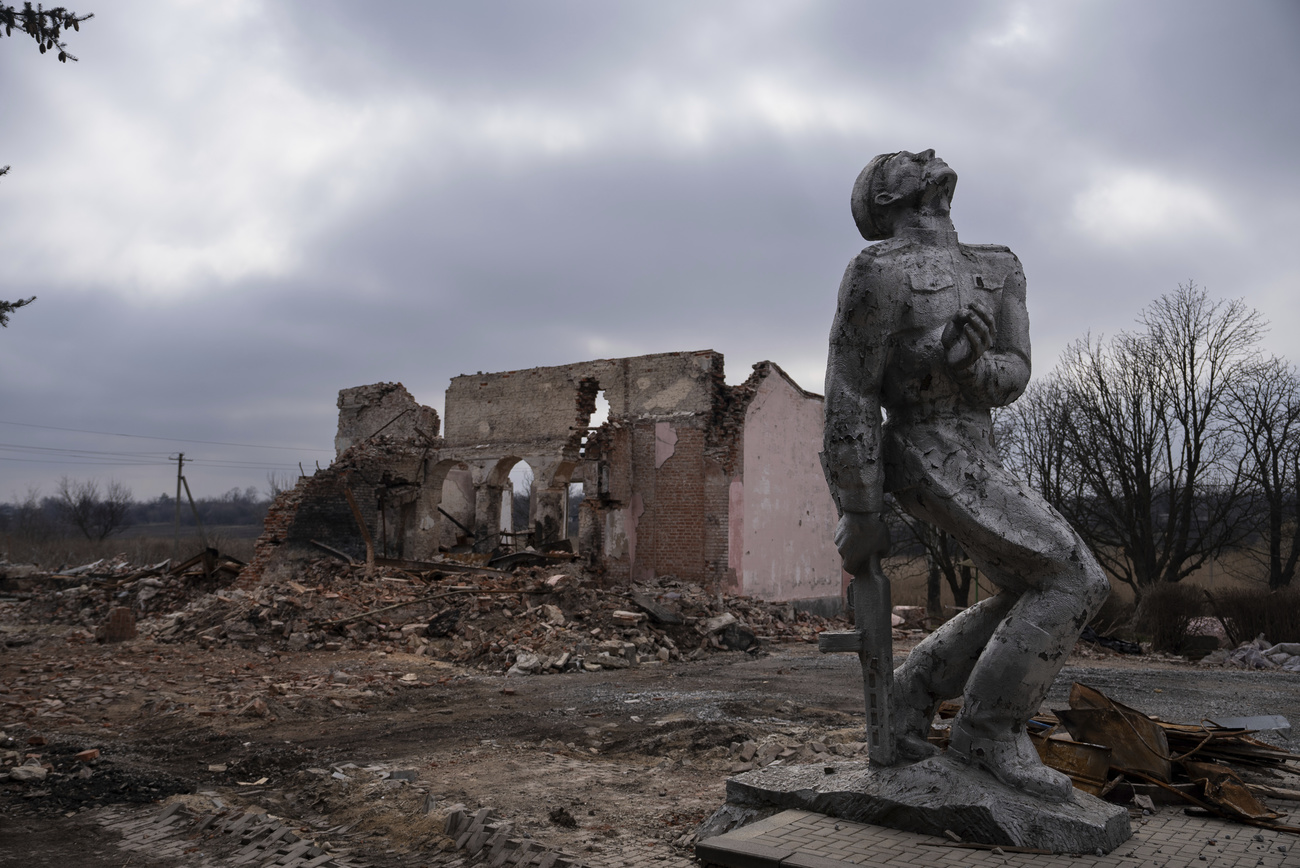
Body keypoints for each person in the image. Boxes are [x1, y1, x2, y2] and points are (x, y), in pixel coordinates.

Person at [822, 150, 1109, 802]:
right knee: (1074, 577)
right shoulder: (879, 270)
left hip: (979, 447)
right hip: (923, 447)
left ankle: (910, 694)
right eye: (898, 161)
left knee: (1027, 586)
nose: (924, 155)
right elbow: (852, 390)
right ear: (884, 203)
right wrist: (860, 508)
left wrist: (970, 366)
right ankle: (988, 730)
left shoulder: (998, 266)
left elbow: (1014, 372)